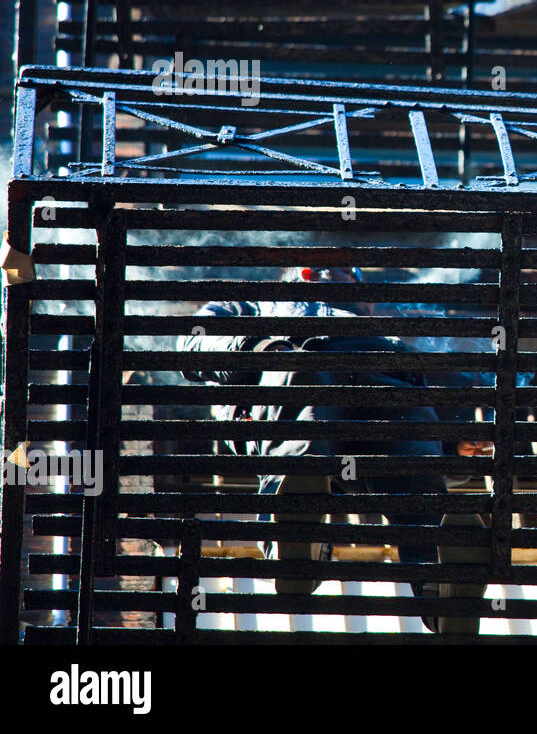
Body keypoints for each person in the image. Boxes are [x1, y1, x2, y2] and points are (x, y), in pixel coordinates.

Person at [179, 266, 492, 635]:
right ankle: (295, 539)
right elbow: (192, 345)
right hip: (295, 368)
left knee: (414, 461)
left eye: (346, 269)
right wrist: (259, 348)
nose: (332, 270)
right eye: (324, 265)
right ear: (299, 275)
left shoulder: (383, 331)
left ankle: (440, 583)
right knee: (302, 419)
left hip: (381, 381)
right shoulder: (250, 301)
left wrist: (452, 450)